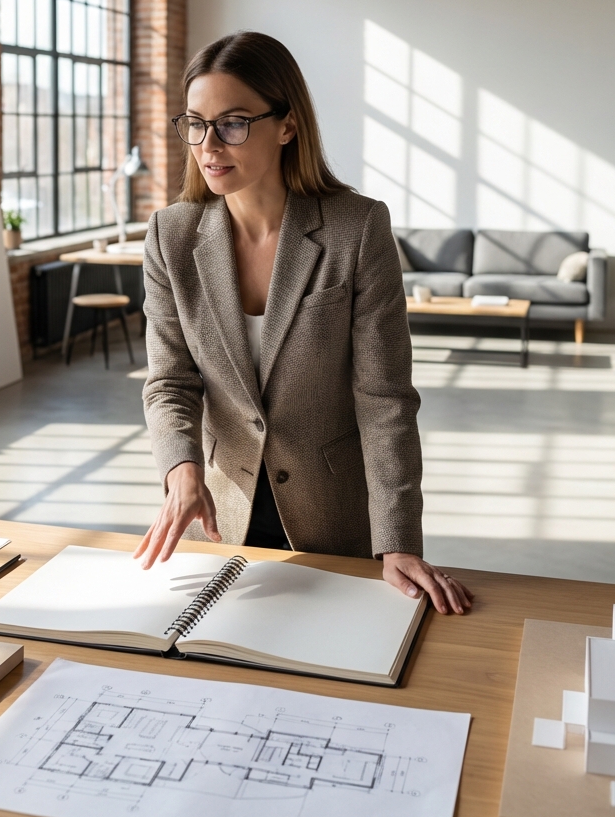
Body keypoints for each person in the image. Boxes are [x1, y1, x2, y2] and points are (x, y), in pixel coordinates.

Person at [132, 31, 473, 615]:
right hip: (218, 512)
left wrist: (398, 539)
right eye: (194, 123)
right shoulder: (171, 235)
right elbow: (170, 381)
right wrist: (181, 470)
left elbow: (384, 398)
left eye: (233, 123)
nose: (208, 144)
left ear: (287, 125)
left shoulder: (357, 229)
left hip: (334, 515)